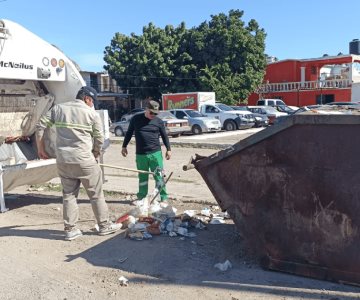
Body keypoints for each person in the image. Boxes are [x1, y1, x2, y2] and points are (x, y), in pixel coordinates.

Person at [36, 86, 121, 241]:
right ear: (87, 98)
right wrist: (95, 154)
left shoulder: (58, 109)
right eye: (92, 101)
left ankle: (70, 230)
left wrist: (41, 149)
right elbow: (99, 139)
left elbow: (40, 126)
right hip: (84, 161)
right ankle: (104, 226)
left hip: (64, 160)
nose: (92, 104)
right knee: (96, 195)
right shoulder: (91, 114)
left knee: (68, 195)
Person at [121, 100, 171, 203]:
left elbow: (164, 136)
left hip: (155, 154)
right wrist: (124, 146)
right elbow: (129, 133)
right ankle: (142, 197)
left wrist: (168, 149)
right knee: (143, 177)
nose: (153, 115)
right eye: (151, 112)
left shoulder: (159, 122)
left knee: (159, 176)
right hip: (141, 155)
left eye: (155, 113)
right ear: (146, 109)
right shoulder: (136, 119)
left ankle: (163, 197)